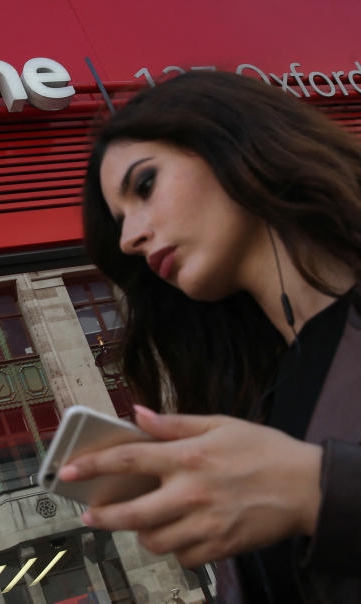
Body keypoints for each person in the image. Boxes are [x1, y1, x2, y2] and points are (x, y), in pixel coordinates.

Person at [61, 70, 361, 603]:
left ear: (232, 142)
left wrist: (316, 490)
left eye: (146, 186)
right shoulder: (250, 401)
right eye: (121, 219)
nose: (131, 237)